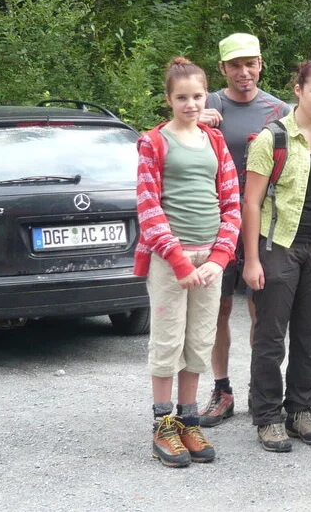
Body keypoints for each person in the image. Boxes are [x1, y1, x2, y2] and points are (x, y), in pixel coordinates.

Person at [133, 57, 242, 467]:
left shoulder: (215, 143)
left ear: (206, 96)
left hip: (209, 260)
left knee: (199, 341)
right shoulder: (153, 142)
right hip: (169, 259)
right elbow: (147, 205)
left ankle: (188, 419)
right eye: (182, 97)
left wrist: (219, 257)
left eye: (198, 96)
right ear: (169, 100)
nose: (191, 104)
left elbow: (231, 201)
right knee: (168, 341)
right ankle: (163, 426)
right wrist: (180, 261)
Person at [242, 59, 311, 453]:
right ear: (298, 90)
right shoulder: (271, 139)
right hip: (279, 247)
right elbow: (251, 203)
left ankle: (301, 410)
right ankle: (268, 417)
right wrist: (252, 260)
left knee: (309, 335)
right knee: (271, 337)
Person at [196, 33, 290, 426]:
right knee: (217, 309)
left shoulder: (278, 110)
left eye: (250, 63)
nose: (244, 72)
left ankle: (260, 388)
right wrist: (192, 119)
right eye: (235, 65)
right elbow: (166, 140)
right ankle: (222, 389)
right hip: (216, 224)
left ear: (261, 64)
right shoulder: (207, 103)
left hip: (262, 225)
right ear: (222, 69)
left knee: (261, 310)